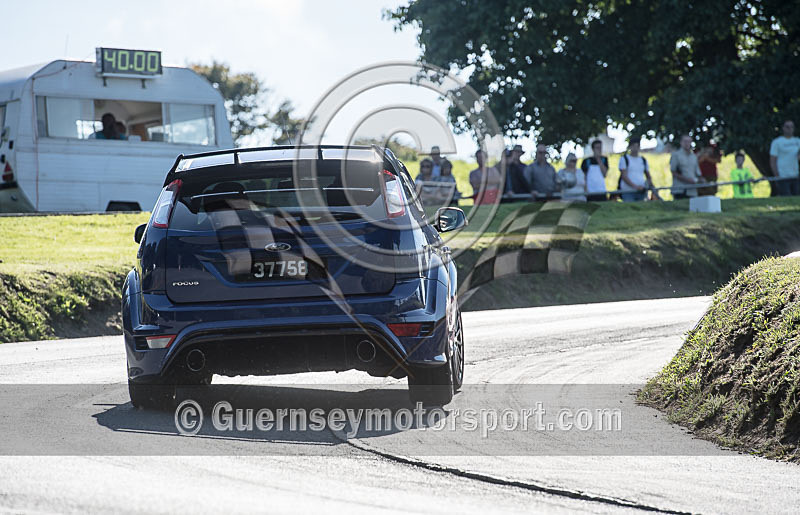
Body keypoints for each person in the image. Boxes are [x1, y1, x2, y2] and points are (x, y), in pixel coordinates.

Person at [769, 120, 800, 196]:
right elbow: (773, 160)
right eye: (787, 127)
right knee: (786, 197)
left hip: (795, 176)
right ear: (783, 128)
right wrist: (777, 176)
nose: (790, 129)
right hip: (782, 176)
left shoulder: (797, 141)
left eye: (792, 127)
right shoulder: (777, 142)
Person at [618, 137, 653, 202]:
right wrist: (636, 187)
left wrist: (648, 185)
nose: (635, 148)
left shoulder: (643, 160)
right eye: (633, 146)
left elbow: (648, 175)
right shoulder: (624, 159)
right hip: (628, 191)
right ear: (630, 147)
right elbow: (624, 176)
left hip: (642, 191)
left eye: (637, 146)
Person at [669, 134, 703, 199]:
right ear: (681, 142)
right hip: (679, 190)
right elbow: (673, 172)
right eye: (685, 141)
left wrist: (702, 180)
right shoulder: (676, 155)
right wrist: (687, 180)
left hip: (692, 191)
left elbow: (698, 173)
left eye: (689, 141)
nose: (687, 143)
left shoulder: (694, 156)